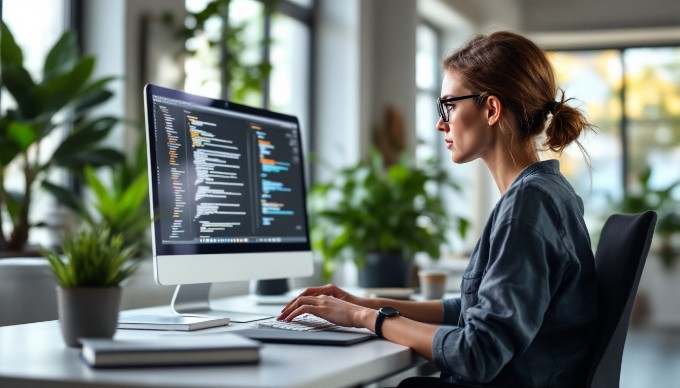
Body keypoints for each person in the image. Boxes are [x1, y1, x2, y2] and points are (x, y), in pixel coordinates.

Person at [279, 30, 598, 387]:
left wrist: (364, 318)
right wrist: (362, 303)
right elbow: (472, 311)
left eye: (449, 105)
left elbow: (480, 352)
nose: (439, 122)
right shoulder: (545, 191)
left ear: (491, 109)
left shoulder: (529, 203)